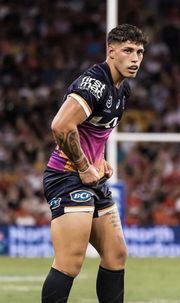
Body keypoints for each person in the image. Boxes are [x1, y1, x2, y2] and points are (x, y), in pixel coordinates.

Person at [41, 24, 148, 303]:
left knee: (116, 255)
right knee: (70, 262)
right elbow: (62, 126)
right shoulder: (95, 83)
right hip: (67, 176)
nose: (135, 58)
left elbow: (92, 132)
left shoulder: (122, 90)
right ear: (111, 52)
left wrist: (100, 160)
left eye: (139, 52)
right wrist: (85, 166)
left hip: (92, 177)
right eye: (127, 51)